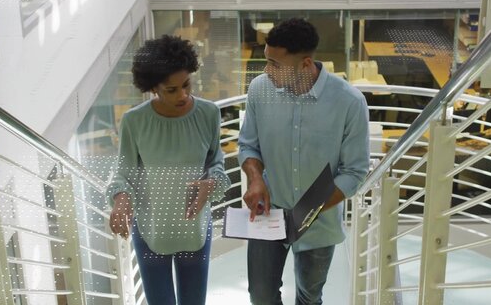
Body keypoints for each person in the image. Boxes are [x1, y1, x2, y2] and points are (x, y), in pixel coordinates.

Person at [238, 18, 370, 305]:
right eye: (266, 61)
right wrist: (256, 179)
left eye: (276, 65)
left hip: (319, 222)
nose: (266, 71)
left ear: (306, 64)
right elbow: (249, 144)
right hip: (268, 214)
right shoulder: (260, 90)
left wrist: (305, 214)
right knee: (260, 296)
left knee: (310, 298)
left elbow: (354, 171)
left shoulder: (349, 102)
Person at [107, 35, 230, 305]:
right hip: (151, 233)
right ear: (153, 88)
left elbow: (216, 164)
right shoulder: (134, 121)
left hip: (195, 231)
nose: (183, 95)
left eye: (186, 84)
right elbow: (123, 174)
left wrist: (212, 183)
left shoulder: (209, 113)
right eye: (171, 90)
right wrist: (121, 200)